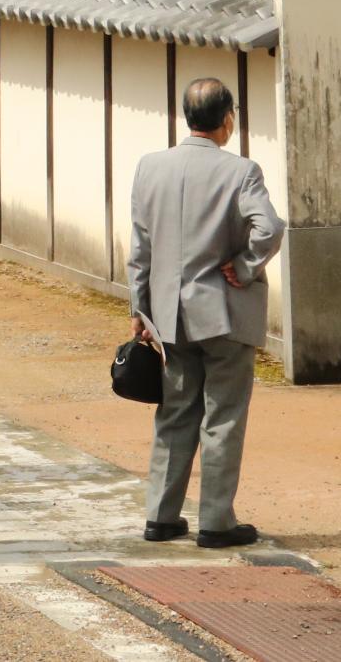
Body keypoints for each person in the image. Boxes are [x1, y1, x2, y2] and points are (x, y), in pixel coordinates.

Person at [129, 78, 286, 549]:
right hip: (223, 313)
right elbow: (269, 227)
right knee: (223, 416)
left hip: (169, 316)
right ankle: (216, 522)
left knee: (175, 413)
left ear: (186, 116)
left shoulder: (149, 167)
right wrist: (245, 265)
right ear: (228, 118)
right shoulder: (241, 171)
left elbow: (140, 247)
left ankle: (161, 516)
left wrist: (140, 308)